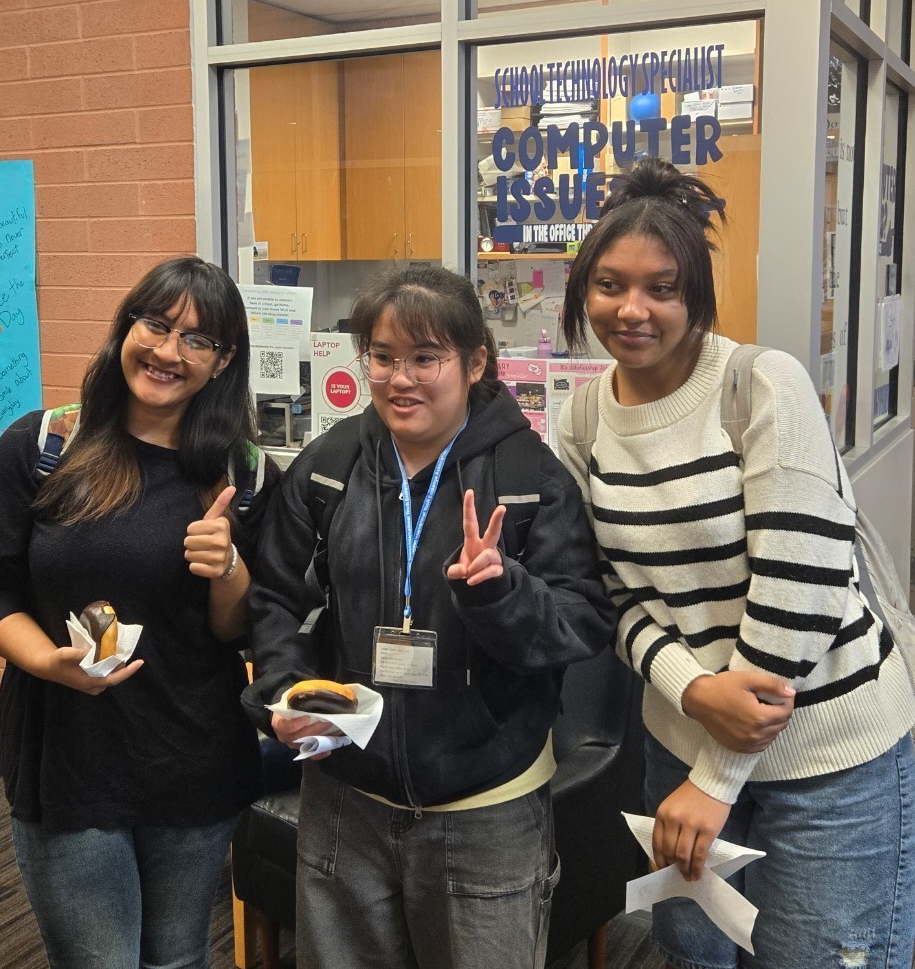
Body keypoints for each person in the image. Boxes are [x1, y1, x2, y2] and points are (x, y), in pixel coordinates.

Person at [557, 157, 915, 969]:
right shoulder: (580, 419)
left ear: (696, 296)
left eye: (662, 286)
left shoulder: (760, 384)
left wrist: (717, 777)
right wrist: (693, 689)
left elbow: (802, 586)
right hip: (678, 742)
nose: (632, 309)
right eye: (610, 285)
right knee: (693, 954)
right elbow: (602, 590)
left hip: (831, 755)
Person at [243, 264, 616, 969]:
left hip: (485, 809)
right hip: (343, 802)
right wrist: (285, 695)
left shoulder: (527, 480)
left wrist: (499, 593)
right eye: (382, 357)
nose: (398, 379)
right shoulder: (330, 469)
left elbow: (580, 624)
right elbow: (274, 598)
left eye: (425, 358)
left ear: (476, 362)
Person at [0, 256, 279, 969]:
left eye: (197, 340)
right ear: (126, 327)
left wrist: (226, 565)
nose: (168, 351)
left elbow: (242, 630)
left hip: (194, 759)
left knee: (178, 958)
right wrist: (46, 661)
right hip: (69, 760)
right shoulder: (42, 447)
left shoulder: (244, 472)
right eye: (156, 324)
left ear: (223, 360)